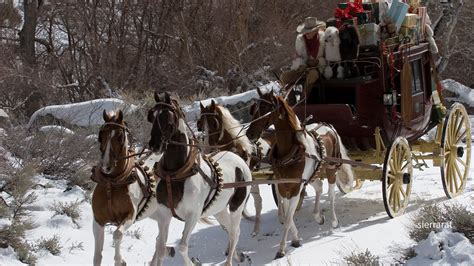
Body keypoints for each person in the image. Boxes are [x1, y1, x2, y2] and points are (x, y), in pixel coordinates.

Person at [280, 17, 326, 100]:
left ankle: (303, 99)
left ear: (315, 31)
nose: (306, 34)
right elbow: (298, 57)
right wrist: (301, 64)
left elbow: (327, 58)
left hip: (317, 69)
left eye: (309, 32)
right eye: (305, 31)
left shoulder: (323, 40)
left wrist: (318, 61)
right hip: (302, 69)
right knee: (284, 76)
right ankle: (291, 100)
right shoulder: (300, 40)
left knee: (312, 75)